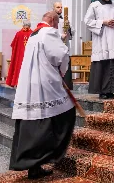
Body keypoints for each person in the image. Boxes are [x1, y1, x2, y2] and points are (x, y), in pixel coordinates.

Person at [10, 11, 76, 180]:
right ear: (53, 21)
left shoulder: (33, 34)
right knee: (66, 111)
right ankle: (52, 154)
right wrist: (61, 72)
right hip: (45, 83)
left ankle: (34, 166)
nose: (57, 26)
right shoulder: (50, 32)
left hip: (29, 85)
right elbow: (61, 54)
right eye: (57, 23)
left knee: (32, 120)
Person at [53, 2, 74, 89]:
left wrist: (68, 28)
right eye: (58, 7)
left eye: (61, 7)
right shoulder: (51, 19)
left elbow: (72, 34)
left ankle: (66, 87)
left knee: (66, 68)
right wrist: (61, 36)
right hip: (55, 47)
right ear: (54, 8)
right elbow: (50, 32)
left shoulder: (65, 20)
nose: (60, 9)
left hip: (65, 47)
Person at [6, 20, 33, 87]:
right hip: (29, 56)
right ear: (30, 25)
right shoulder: (33, 34)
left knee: (19, 68)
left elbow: (13, 45)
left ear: (23, 25)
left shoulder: (18, 34)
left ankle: (17, 82)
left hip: (19, 57)